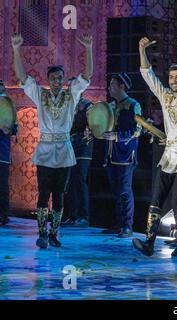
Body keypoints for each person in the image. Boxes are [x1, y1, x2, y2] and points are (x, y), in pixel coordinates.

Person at [12, 33, 92, 248]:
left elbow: (87, 75)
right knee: (43, 192)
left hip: (64, 149)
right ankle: (41, 233)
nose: (57, 81)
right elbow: (22, 77)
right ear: (48, 80)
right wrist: (16, 48)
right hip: (46, 149)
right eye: (53, 78)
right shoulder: (40, 95)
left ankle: (54, 232)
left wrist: (88, 48)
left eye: (60, 78)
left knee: (59, 195)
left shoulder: (71, 95)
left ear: (64, 80)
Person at [132, 35, 177, 257]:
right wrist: (141, 49)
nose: (173, 81)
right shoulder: (165, 96)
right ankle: (149, 242)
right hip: (170, 153)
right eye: (171, 77)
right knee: (156, 199)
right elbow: (148, 76)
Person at [102, 72, 142, 238]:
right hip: (111, 153)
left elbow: (137, 130)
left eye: (112, 84)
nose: (109, 88)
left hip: (126, 154)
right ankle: (119, 224)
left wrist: (117, 136)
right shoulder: (110, 106)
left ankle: (127, 225)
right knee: (115, 190)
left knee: (125, 190)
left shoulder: (134, 105)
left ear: (121, 86)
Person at [62, 95, 94, 227]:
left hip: (83, 145)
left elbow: (95, 124)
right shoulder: (68, 106)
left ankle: (83, 216)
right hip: (71, 144)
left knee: (80, 178)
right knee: (71, 180)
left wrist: (90, 133)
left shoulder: (87, 105)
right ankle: (72, 215)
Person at [0, 80, 18, 226]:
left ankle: (4, 215)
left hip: (2, 153)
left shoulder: (9, 107)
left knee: (2, 185)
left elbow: (15, 129)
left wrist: (9, 129)